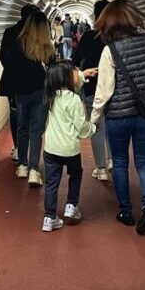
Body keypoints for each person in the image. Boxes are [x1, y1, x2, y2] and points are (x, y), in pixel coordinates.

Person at [90, 0, 145, 235]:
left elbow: (104, 90)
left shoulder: (109, 50)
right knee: (144, 162)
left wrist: (93, 118)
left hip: (118, 117)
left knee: (120, 163)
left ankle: (125, 212)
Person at [40, 60, 97, 232]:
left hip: (51, 149)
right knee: (76, 174)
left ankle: (49, 217)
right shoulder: (74, 100)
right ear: (66, 77)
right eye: (74, 71)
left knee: (51, 183)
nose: (77, 73)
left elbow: (76, 80)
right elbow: (81, 127)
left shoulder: (50, 96)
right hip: (70, 149)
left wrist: (83, 74)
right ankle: (71, 206)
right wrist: (93, 128)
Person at [12, 10, 56, 186]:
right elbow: (53, 71)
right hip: (41, 91)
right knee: (36, 131)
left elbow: (11, 68)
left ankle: (22, 165)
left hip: (22, 91)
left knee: (22, 127)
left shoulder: (19, 44)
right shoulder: (48, 47)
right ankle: (33, 169)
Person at [72, 0, 111, 181]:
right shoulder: (117, 36)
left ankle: (101, 169)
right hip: (115, 88)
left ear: (96, 15)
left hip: (92, 85)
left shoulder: (89, 36)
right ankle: (113, 161)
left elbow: (76, 58)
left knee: (97, 126)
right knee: (112, 124)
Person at [0, 3, 38, 163]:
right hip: (33, 81)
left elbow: (3, 56)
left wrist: (11, 71)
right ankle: (27, 149)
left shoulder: (9, 32)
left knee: (15, 112)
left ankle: (17, 148)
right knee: (32, 114)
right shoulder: (36, 33)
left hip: (11, 80)